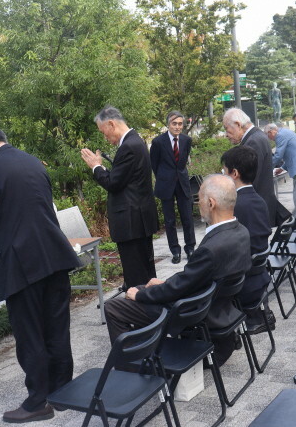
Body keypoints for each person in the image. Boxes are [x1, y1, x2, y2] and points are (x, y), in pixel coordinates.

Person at [0, 125, 81, 423]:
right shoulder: (32, 161)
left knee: (30, 334)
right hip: (53, 256)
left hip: (20, 265)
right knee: (56, 328)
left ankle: (37, 402)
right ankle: (62, 391)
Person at [103, 174, 251, 366]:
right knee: (144, 286)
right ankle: (150, 348)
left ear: (211, 203)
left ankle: (129, 366)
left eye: (199, 199)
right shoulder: (241, 232)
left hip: (192, 311)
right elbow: (192, 278)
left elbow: (179, 288)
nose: (197, 204)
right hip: (212, 304)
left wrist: (140, 296)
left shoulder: (211, 248)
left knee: (115, 306)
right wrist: (163, 284)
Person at [81, 106, 158, 288]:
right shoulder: (135, 140)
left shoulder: (129, 146)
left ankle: (139, 313)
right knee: (145, 273)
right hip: (138, 218)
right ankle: (151, 309)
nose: (104, 137)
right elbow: (124, 178)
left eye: (103, 132)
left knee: (136, 276)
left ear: (111, 124)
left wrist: (96, 167)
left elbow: (113, 184)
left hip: (131, 221)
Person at [221, 146, 275, 334]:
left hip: (244, 279)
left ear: (234, 173)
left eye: (224, 171)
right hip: (259, 275)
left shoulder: (236, 205)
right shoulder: (258, 199)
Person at [223, 107, 288, 227]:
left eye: (226, 129)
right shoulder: (257, 136)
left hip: (255, 209)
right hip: (260, 205)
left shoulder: (253, 142)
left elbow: (250, 180)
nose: (226, 135)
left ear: (238, 124)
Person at [150, 110, 196, 264]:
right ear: (168, 125)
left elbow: (182, 162)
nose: (177, 127)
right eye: (174, 124)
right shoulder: (158, 142)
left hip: (182, 183)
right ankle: (175, 251)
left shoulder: (186, 140)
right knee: (169, 221)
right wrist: (164, 178)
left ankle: (190, 248)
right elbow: (154, 165)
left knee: (187, 218)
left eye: (180, 124)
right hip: (166, 184)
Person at [265, 123, 296, 218]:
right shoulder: (285, 132)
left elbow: (278, 155)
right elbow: (291, 153)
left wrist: (266, 167)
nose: (269, 138)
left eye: (268, 135)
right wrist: (282, 168)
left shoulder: (280, 136)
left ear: (271, 131)